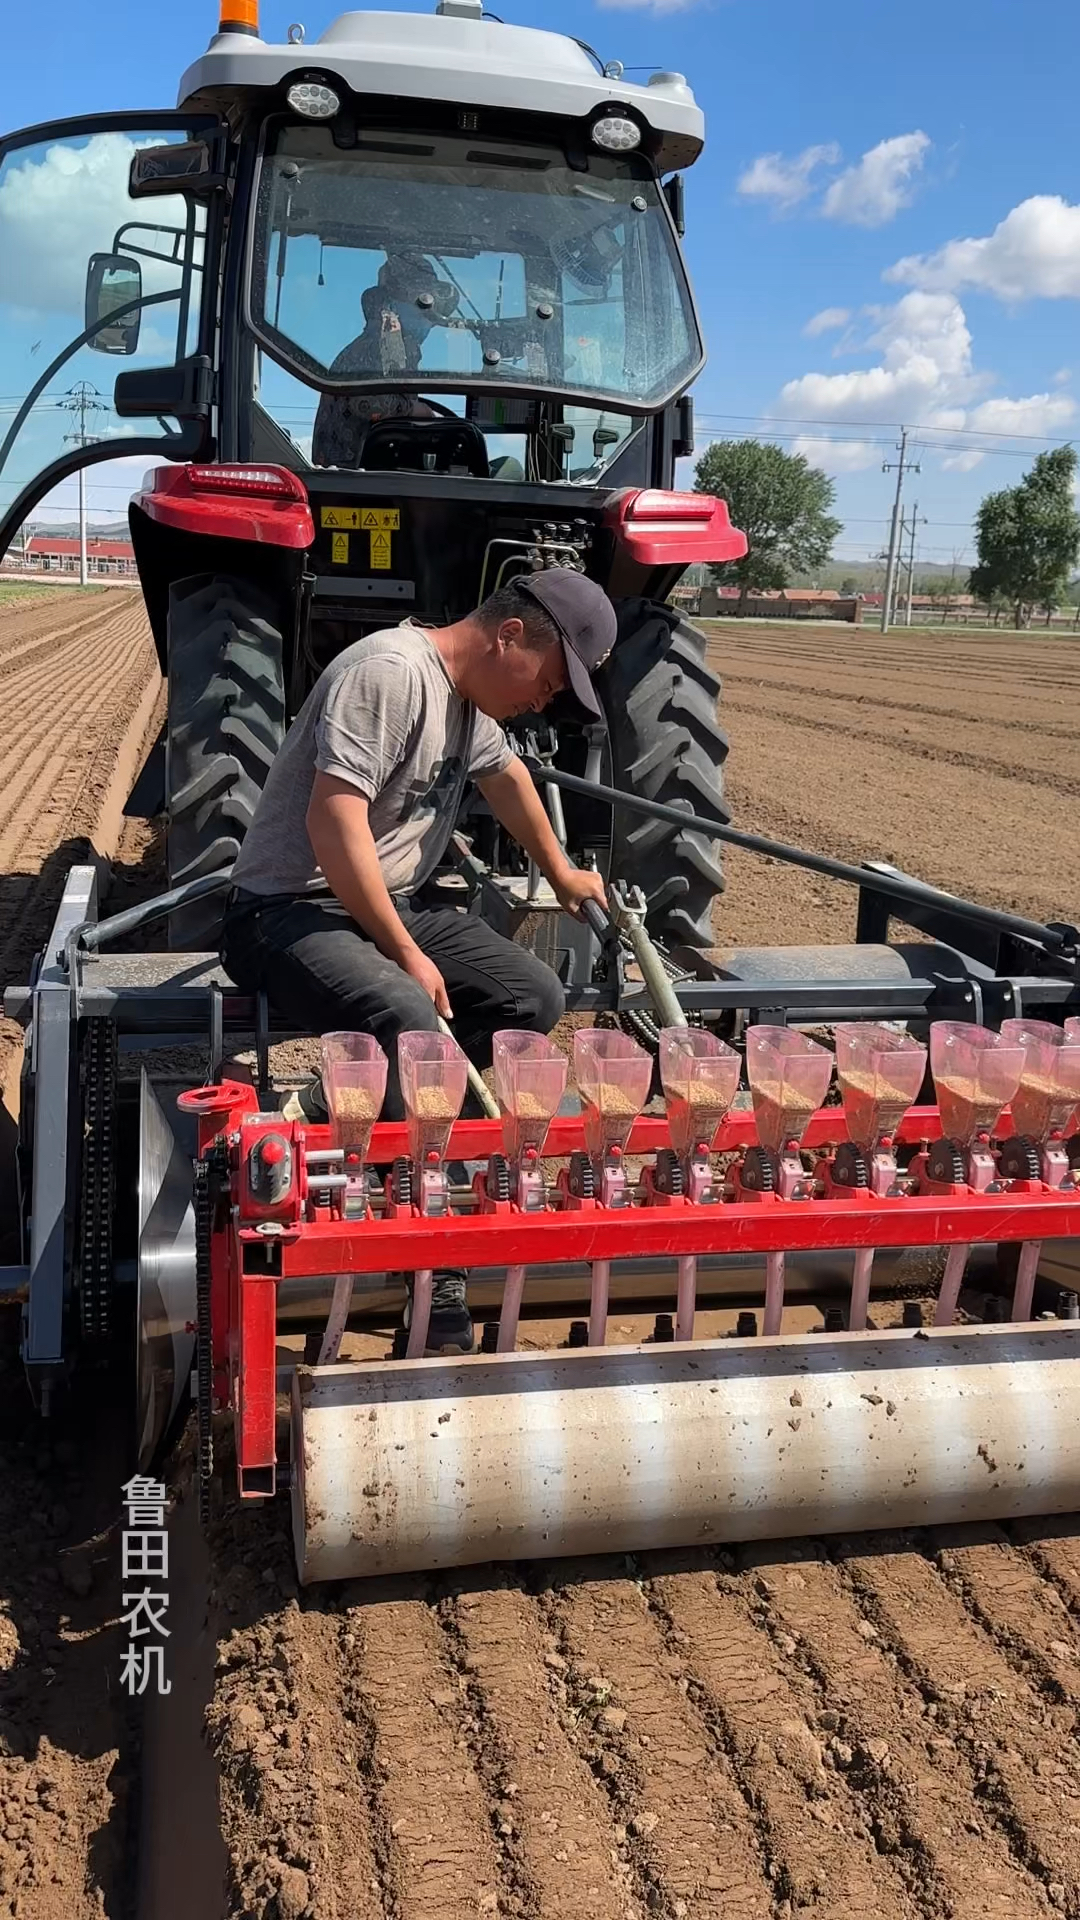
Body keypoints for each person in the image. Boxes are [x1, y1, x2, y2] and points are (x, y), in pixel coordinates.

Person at [222, 570, 615, 1354]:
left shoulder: (470, 702)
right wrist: (403, 954)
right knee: (406, 1015)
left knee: (531, 995)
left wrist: (562, 869)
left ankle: (403, 1119)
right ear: (509, 634)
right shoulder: (391, 672)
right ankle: (431, 1258)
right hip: (286, 909)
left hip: (387, 903)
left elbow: (507, 780)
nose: (546, 701)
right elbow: (333, 822)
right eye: (546, 679)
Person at [312, 253, 454, 469]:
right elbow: (370, 404)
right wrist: (416, 409)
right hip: (349, 477)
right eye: (421, 306)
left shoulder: (391, 344)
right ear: (395, 304)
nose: (428, 319)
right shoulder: (382, 343)